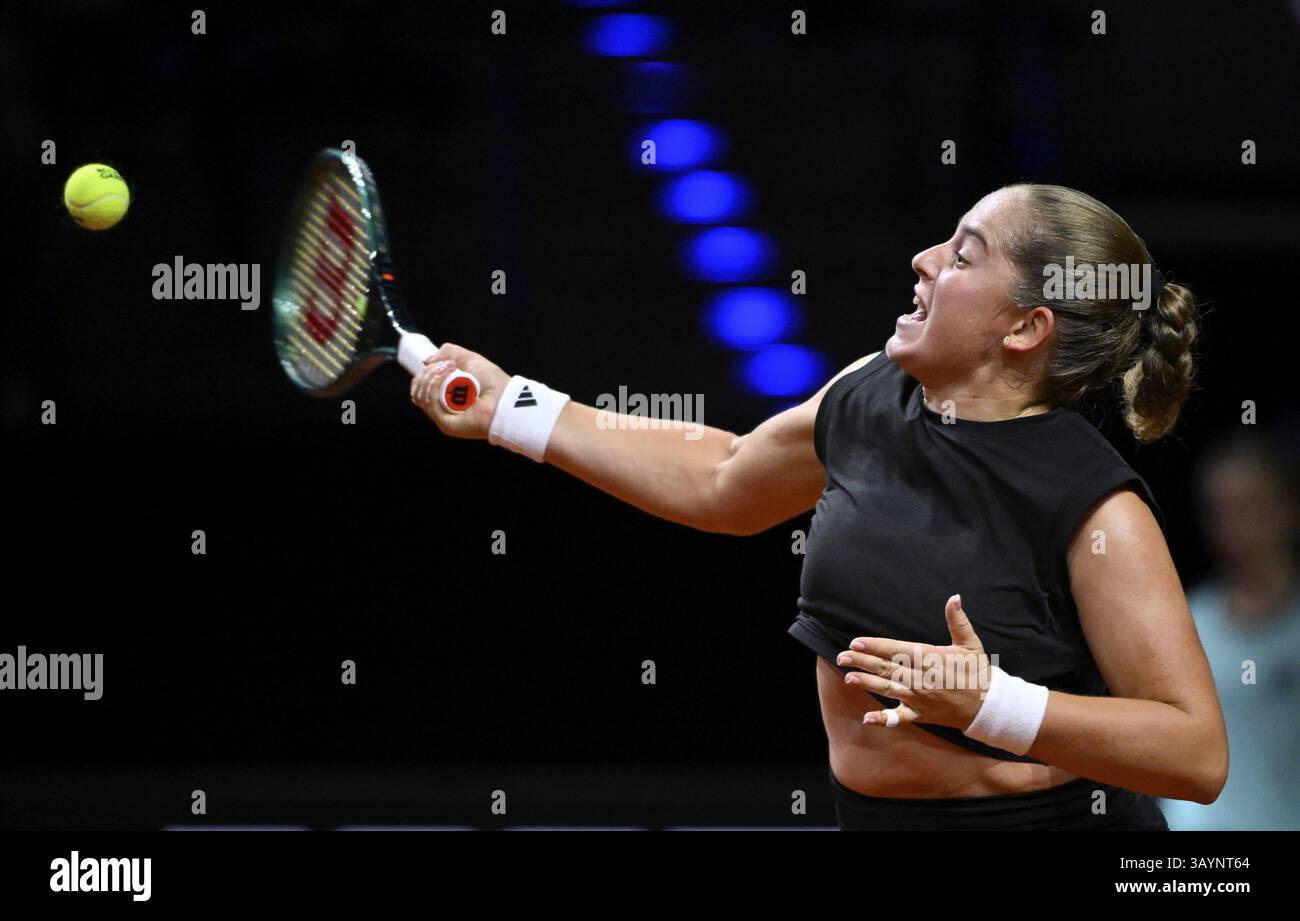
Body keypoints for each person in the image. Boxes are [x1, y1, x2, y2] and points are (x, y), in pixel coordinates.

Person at [409, 183, 1227, 830]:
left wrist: (992, 704)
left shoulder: (1099, 511)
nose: (925, 259)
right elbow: (725, 478)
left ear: (1024, 328)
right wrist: (514, 407)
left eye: (963, 257)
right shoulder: (871, 394)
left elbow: (1195, 753)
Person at [1159, 432, 1300, 830]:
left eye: (1251, 505)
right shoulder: (1187, 622)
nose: (1235, 525)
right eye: (1220, 510)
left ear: (1289, 506)